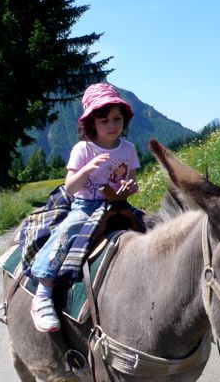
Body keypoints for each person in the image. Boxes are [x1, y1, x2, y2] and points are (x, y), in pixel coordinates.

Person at [29, 82, 140, 332]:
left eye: (117, 119)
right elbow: (70, 187)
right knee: (67, 231)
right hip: (86, 205)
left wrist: (130, 187)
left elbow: (131, 180)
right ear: (92, 123)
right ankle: (43, 292)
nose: (112, 125)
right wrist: (88, 169)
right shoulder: (83, 148)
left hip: (118, 204)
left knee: (151, 228)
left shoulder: (128, 149)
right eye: (104, 120)